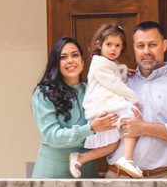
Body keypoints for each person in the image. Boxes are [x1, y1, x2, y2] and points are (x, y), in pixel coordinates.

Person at [105, 21, 167, 178]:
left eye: (152, 45)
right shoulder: (121, 82)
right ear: (134, 48)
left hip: (162, 178)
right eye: (140, 46)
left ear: (164, 45)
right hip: (117, 177)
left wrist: (144, 128)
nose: (146, 51)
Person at [30, 36, 118, 179]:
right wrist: (90, 128)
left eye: (75, 55)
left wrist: (122, 74)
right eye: (63, 57)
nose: (70, 60)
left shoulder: (92, 90)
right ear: (55, 63)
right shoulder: (44, 93)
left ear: (82, 62)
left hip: (86, 168)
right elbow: (52, 136)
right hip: (51, 171)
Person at [69, 24, 143, 179]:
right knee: (131, 114)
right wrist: (133, 99)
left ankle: (80, 158)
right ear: (99, 45)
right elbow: (114, 84)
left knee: (113, 144)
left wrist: (123, 70)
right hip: (102, 103)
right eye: (108, 44)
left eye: (117, 45)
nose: (113, 49)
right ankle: (128, 159)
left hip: (107, 103)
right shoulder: (99, 63)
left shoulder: (110, 63)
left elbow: (115, 76)